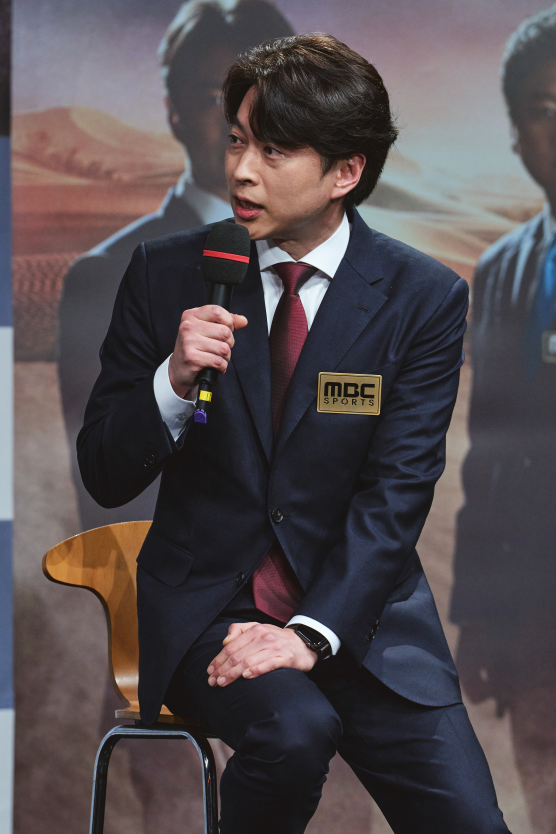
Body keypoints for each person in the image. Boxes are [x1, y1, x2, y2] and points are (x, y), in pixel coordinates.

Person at [78, 34, 510, 834]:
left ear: (345, 172)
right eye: (238, 140)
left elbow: (396, 495)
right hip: (209, 608)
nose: (241, 170)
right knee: (294, 731)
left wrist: (311, 633)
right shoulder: (166, 273)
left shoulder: (422, 298)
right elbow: (104, 472)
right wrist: (173, 380)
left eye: (274, 150)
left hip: (360, 617)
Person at [58, 0, 294, 533]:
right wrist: (172, 382)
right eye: (216, 98)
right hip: (181, 573)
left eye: (267, 101)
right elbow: (107, 489)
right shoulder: (108, 271)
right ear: (173, 110)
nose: (241, 124)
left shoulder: (345, 267)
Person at [451, 7, 556, 833]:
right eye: (542, 109)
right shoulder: (498, 272)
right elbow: (485, 459)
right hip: (531, 630)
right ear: (516, 132)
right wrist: (479, 617)